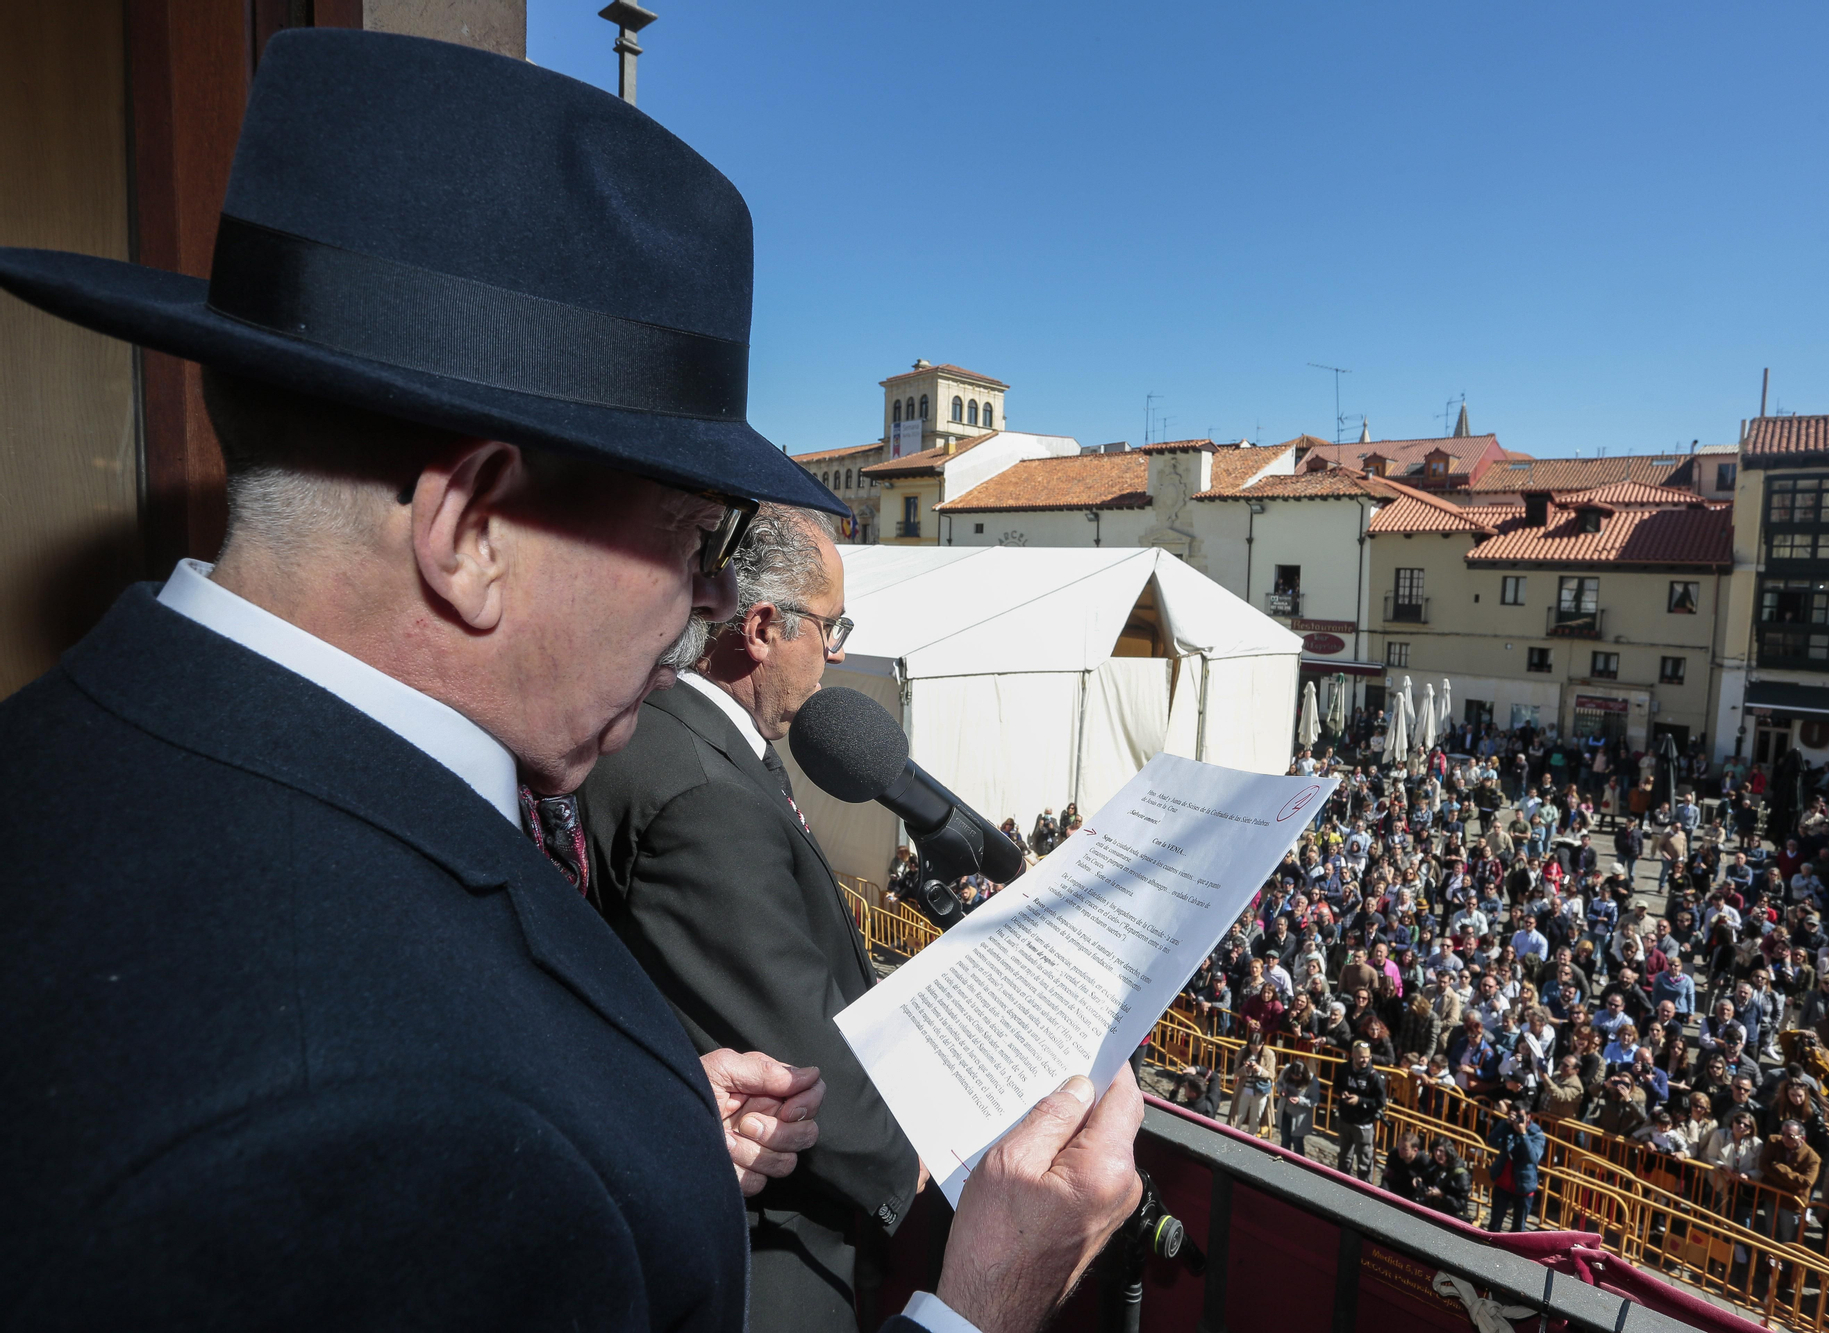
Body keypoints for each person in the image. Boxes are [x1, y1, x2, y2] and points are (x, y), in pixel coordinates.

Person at [0, 33, 1142, 1333]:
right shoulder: (398, 1119)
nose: (714, 602)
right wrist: (982, 1303)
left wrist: (639, 1116)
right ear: (474, 531)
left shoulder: (67, 753)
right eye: (695, 536)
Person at [581, 507, 914, 1328]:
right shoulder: (705, 793)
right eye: (830, 628)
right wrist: (925, 1169)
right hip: (766, 1253)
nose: (836, 653)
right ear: (762, 627)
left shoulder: (679, 736)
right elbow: (797, 1055)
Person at [1485, 1100, 1546, 1232]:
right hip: (1502, 1184)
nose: (1517, 1120)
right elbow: (1491, 1141)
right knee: (1494, 1225)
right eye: (1515, 1116)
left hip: (1524, 1187)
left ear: (1529, 1117)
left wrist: (1523, 1134)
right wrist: (1505, 1124)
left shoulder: (1537, 1134)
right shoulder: (1506, 1126)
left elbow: (1533, 1158)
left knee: (1518, 1229)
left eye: (1521, 1116)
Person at [1333, 1040, 1389, 1180]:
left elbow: (1381, 1102)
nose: (1365, 1060)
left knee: (1364, 1161)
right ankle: (1341, 1184)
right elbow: (1336, 1086)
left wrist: (1360, 1100)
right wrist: (1342, 1093)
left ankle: (1364, 1191)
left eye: (1367, 1057)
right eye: (1361, 1057)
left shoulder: (1373, 1076)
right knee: (1344, 1156)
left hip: (1363, 1125)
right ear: (1353, 1055)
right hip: (1345, 1120)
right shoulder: (1344, 1069)